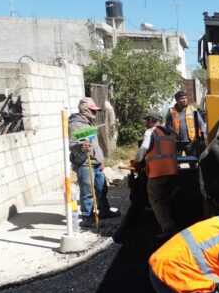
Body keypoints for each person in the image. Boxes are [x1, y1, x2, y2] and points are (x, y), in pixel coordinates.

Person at [68, 97, 120, 228]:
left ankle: (104, 211)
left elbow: (95, 145)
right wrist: (80, 147)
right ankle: (87, 217)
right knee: (88, 192)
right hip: (85, 163)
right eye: (93, 110)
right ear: (85, 110)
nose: (95, 113)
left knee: (102, 188)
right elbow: (72, 144)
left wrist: (100, 160)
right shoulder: (75, 124)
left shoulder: (89, 123)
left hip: (96, 162)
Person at [132, 113, 179, 240]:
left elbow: (144, 148)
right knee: (166, 198)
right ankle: (173, 222)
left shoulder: (150, 132)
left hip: (158, 172)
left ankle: (168, 228)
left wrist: (136, 162)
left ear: (152, 120)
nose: (145, 123)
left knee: (157, 200)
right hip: (172, 171)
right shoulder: (170, 133)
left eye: (147, 120)